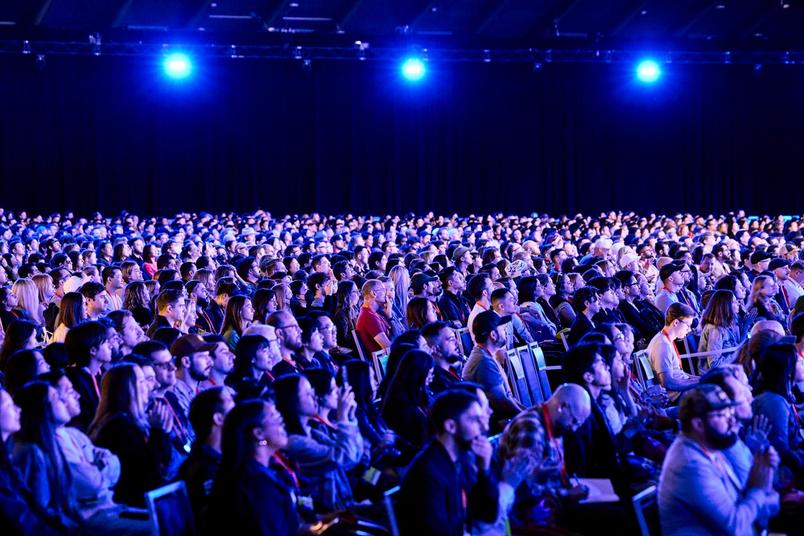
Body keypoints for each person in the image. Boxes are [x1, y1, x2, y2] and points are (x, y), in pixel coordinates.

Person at [658, 384, 780, 536]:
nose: (732, 422)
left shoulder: (709, 448)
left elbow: (740, 502)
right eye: (723, 415)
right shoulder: (690, 465)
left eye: (730, 413)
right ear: (698, 424)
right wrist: (758, 489)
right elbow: (735, 527)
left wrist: (764, 475)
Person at [397, 389, 499, 536]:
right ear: (451, 426)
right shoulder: (428, 474)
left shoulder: (459, 461)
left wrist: (484, 470)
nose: (484, 427)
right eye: (475, 420)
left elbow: (487, 515)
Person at [206, 399, 299, 535]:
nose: (283, 423)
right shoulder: (257, 484)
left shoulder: (260, 471)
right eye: (276, 418)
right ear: (258, 433)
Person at [272, 373, 363, 512]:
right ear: (291, 401)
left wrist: (350, 418)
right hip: (330, 516)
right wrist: (344, 417)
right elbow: (344, 457)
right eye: (308, 393)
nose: (314, 397)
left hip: (347, 503)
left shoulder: (315, 432)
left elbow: (354, 458)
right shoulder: (294, 442)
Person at [88, 364, 174, 507]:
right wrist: (157, 433)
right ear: (128, 390)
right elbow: (144, 474)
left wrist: (163, 432)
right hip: (130, 506)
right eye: (141, 381)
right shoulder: (118, 427)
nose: (151, 386)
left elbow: (163, 461)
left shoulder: (137, 421)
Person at [177, 386, 234, 523]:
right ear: (218, 418)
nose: (237, 408)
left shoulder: (222, 459)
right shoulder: (204, 470)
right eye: (230, 401)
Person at [462, 310, 523, 419]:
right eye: (502, 328)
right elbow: (502, 403)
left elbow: (508, 398)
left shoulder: (487, 355)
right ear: (493, 335)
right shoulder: (483, 362)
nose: (505, 330)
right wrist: (530, 417)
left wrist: (529, 412)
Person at [64, 321, 112, 431]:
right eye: (105, 342)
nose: (110, 345)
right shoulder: (75, 381)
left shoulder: (103, 373)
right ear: (93, 350)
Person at [647, 302, 699, 401]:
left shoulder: (666, 340)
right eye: (688, 325)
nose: (689, 330)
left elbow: (679, 374)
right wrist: (699, 381)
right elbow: (668, 383)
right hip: (679, 396)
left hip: (683, 391)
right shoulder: (662, 344)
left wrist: (702, 379)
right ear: (675, 323)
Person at [381, 349, 434, 449]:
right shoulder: (401, 408)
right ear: (419, 375)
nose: (431, 378)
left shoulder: (419, 396)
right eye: (429, 374)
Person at [698, 289, 743, 371]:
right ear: (725, 306)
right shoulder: (715, 329)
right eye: (734, 302)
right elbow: (714, 364)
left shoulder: (728, 324)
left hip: (729, 369)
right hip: (716, 376)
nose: (738, 304)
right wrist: (739, 356)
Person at [355, 279, 392, 353]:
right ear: (373, 293)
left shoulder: (373, 313)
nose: (387, 293)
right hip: (383, 361)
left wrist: (389, 315)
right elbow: (388, 347)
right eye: (383, 290)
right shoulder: (368, 316)